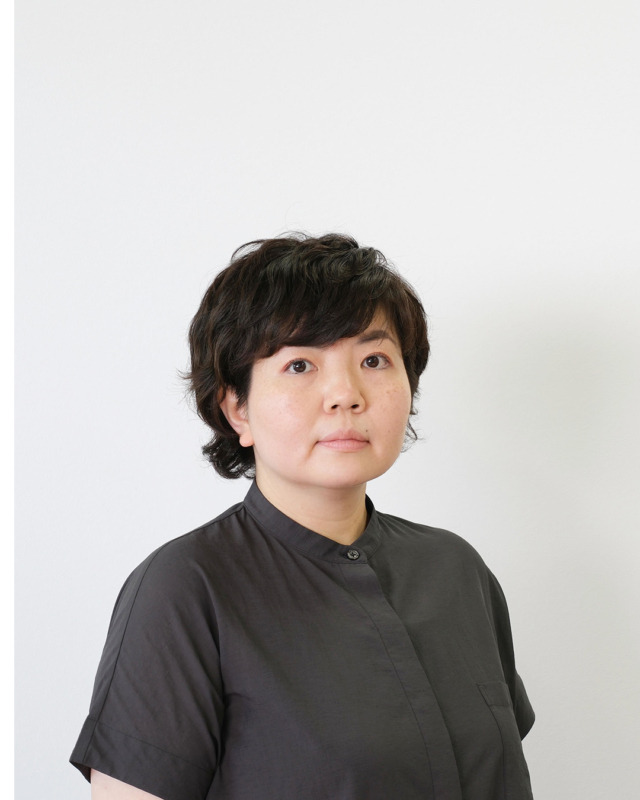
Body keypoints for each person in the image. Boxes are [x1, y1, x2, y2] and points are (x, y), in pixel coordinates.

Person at [69, 233, 535, 800]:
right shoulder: (185, 589)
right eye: (299, 365)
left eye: (373, 360)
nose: (345, 394)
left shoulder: (456, 569)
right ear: (237, 408)